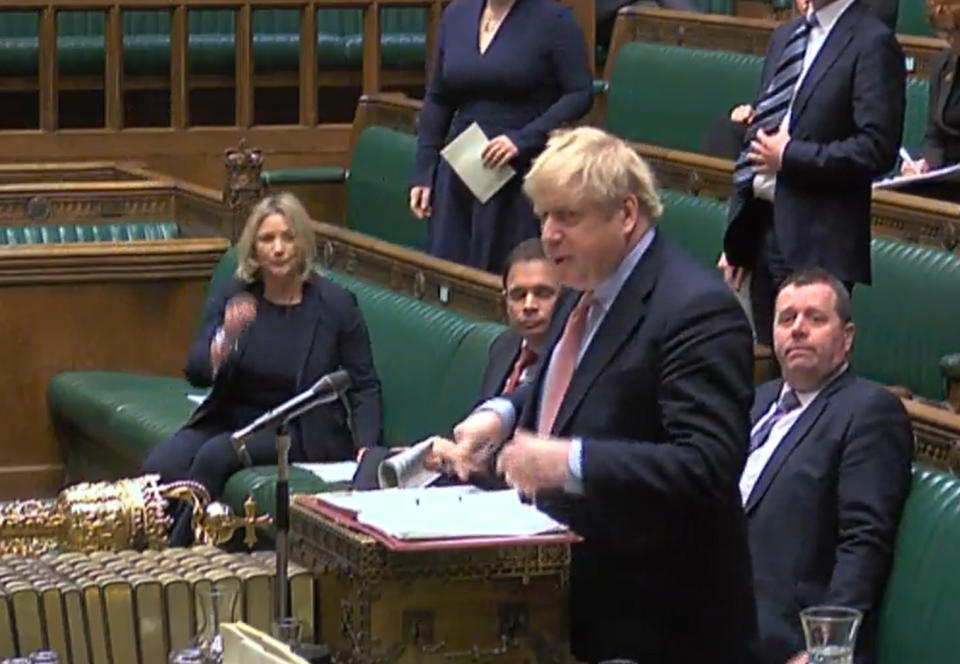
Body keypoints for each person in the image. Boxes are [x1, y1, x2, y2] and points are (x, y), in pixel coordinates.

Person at [433, 127, 757, 664]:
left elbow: (709, 464)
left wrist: (567, 460)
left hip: (661, 627)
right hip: (574, 609)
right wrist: (503, 412)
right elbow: (583, 380)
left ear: (626, 214)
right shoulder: (584, 289)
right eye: (543, 217)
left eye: (568, 216)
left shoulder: (696, 310)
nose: (550, 234)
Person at [143, 193, 383, 505]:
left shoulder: (335, 305)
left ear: (302, 243)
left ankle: (182, 547)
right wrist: (227, 337)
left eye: (287, 237)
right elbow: (197, 372)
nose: (279, 249)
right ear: (253, 248)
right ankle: (154, 541)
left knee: (215, 456)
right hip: (231, 418)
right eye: (267, 239)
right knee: (161, 464)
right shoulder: (236, 295)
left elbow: (364, 385)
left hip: (297, 429)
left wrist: (367, 447)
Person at [743, 269, 912, 664]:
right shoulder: (757, 402)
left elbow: (864, 541)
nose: (798, 329)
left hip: (781, 640)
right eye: (787, 319)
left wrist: (825, 649)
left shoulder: (867, 411)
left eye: (815, 318)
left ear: (846, 338)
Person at [719, 0, 905, 345]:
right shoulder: (785, 37)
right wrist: (738, 233)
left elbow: (877, 149)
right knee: (768, 367)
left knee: (808, 368)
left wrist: (792, 155)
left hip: (819, 240)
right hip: (762, 230)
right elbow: (760, 136)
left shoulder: (872, 42)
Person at [409, 0, 593, 274]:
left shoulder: (554, 19)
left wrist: (523, 139)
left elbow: (580, 94)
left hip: (520, 172)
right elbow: (438, 98)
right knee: (449, 273)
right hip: (461, 169)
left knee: (505, 275)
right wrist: (424, 170)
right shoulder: (457, 14)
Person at [478, 238, 559, 400]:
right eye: (519, 295)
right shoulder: (502, 346)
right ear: (505, 301)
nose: (529, 305)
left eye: (543, 293)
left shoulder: (574, 360)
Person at [898, 0, 960, 201]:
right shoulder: (944, 64)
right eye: (944, 33)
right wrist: (925, 165)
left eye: (953, 32)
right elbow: (934, 135)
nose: (949, 41)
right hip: (945, 179)